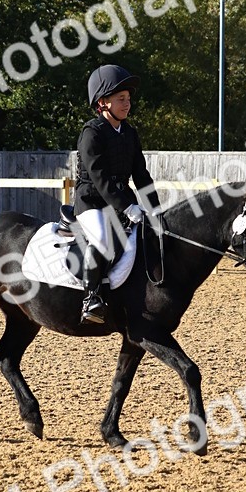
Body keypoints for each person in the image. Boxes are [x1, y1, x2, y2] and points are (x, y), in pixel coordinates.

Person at [74, 64, 159, 324]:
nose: (127, 104)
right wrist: (128, 207)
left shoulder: (130, 133)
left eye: (129, 99)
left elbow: (141, 175)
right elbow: (100, 180)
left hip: (122, 202)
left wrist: (155, 209)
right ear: (102, 102)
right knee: (102, 239)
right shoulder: (92, 133)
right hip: (91, 202)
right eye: (121, 99)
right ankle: (91, 298)